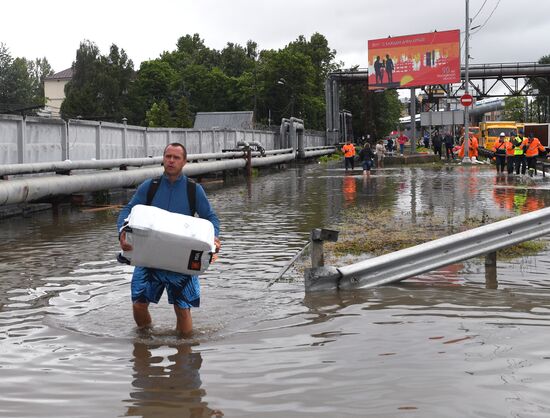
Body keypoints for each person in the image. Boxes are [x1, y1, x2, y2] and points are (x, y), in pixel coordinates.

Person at [117, 143, 221, 337]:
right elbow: (127, 211)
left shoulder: (193, 190)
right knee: (139, 304)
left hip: (181, 257)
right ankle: (145, 340)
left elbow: (211, 218)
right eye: (168, 156)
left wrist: (213, 238)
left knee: (182, 308)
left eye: (176, 157)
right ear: (163, 159)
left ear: (184, 162)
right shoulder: (150, 187)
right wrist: (122, 232)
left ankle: (185, 352)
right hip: (150, 256)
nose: (171, 161)